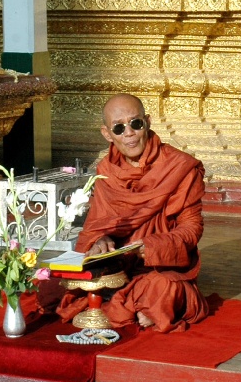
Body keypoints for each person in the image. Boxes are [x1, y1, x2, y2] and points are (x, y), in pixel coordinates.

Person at [57, 93, 208, 332]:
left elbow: (192, 229)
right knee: (50, 283)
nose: (129, 133)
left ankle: (132, 304)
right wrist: (101, 239)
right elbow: (96, 225)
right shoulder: (105, 171)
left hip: (159, 266)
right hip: (118, 264)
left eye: (135, 123)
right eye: (119, 128)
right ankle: (137, 307)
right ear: (107, 134)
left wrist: (153, 245)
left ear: (147, 122)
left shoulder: (179, 166)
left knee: (165, 288)